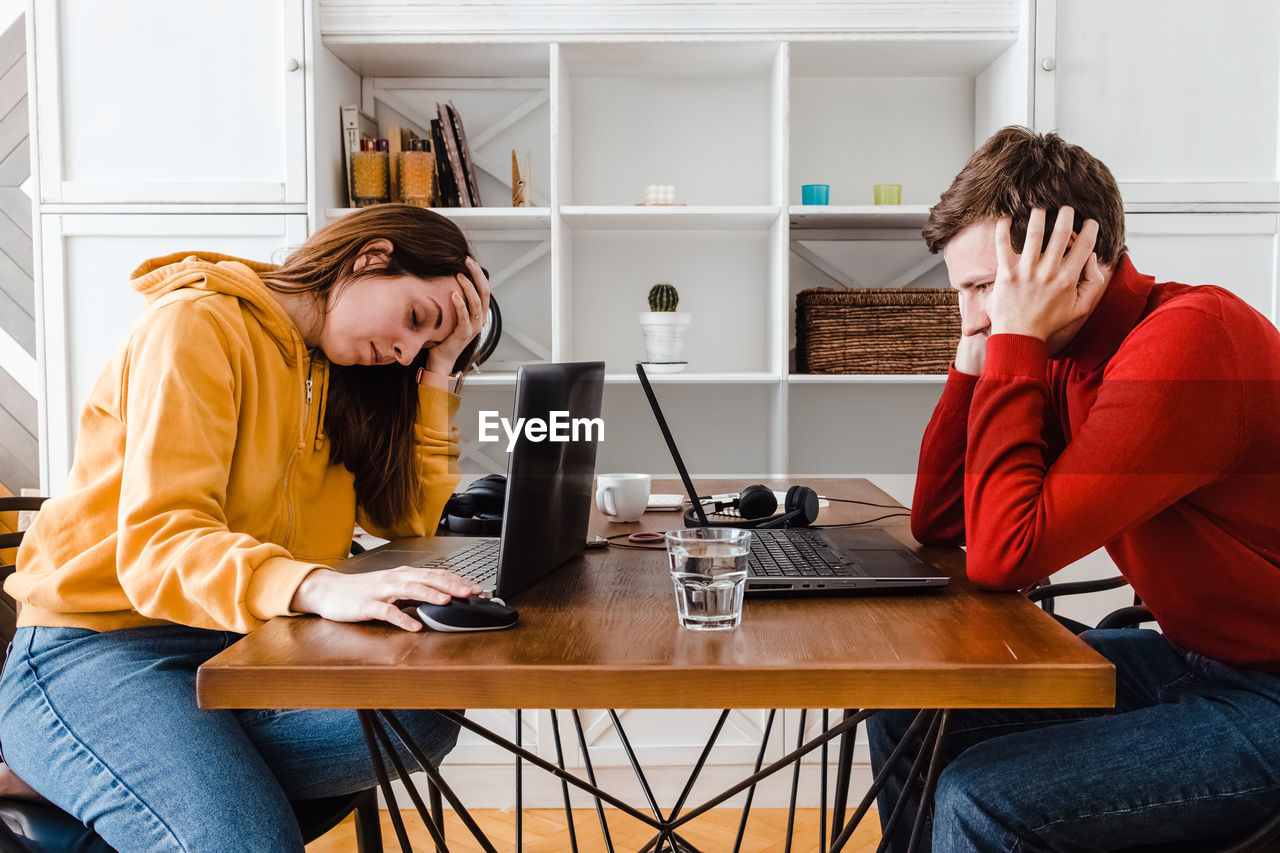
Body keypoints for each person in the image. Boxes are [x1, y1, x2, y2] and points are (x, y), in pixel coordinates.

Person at [0, 204, 494, 851]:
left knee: (419, 714)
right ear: (371, 257)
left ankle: (101, 769)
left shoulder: (344, 377)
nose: (403, 351)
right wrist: (317, 585)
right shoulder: (197, 325)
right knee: (247, 841)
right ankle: (87, 746)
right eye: (415, 321)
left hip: (243, 647)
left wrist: (440, 370)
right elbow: (157, 545)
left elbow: (406, 520)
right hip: (100, 646)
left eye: (421, 348)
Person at [868, 127, 1280, 851]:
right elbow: (940, 519)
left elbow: (1004, 555)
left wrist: (1014, 342)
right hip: (1189, 660)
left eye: (985, 288)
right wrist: (978, 354)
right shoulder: (1065, 356)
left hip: (1269, 697)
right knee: (908, 708)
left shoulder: (1188, 341)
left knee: (982, 797)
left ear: (1071, 261)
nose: (973, 316)